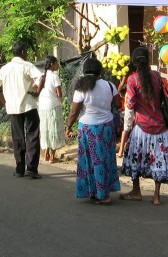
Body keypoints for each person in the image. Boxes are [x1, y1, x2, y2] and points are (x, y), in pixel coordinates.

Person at [66, 58, 121, 205]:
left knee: (89, 161)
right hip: (106, 128)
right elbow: (118, 104)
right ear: (100, 71)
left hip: (87, 128)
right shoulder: (109, 86)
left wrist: (68, 126)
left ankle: (99, 194)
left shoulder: (81, 87)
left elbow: (74, 112)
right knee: (104, 160)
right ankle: (103, 192)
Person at [121, 47, 168, 205]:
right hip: (160, 128)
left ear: (134, 62)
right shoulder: (157, 76)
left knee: (134, 157)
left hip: (141, 127)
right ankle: (156, 196)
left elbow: (129, 104)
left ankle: (136, 191)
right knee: (159, 161)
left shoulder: (132, 80)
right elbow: (164, 98)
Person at [0, 42, 45, 179]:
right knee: (32, 136)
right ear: (22, 52)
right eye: (26, 52)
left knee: (18, 138)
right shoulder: (27, 66)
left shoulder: (5, 68)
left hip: (13, 108)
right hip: (28, 106)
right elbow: (41, 77)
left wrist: (4, 104)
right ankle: (31, 169)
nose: (27, 54)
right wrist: (37, 91)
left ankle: (19, 169)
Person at [37, 55, 65, 163]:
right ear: (52, 64)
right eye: (56, 63)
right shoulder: (55, 76)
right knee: (54, 129)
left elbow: (35, 87)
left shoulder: (42, 76)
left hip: (43, 106)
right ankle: (53, 157)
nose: (57, 65)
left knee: (46, 129)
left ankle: (46, 154)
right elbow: (59, 93)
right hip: (53, 105)